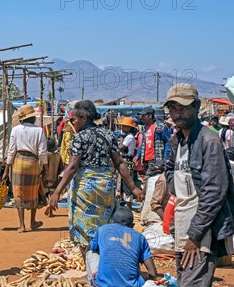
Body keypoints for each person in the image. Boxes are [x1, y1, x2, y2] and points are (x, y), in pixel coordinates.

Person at [163, 83, 234, 287]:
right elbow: (171, 173)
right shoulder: (177, 141)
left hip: (201, 233)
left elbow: (215, 191)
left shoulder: (208, 140)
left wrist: (195, 234)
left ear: (196, 108)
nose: (177, 113)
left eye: (183, 107)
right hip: (183, 229)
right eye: (173, 107)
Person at [49, 100, 142, 256]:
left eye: (75, 119)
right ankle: (103, 262)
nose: (73, 122)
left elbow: (72, 167)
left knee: (84, 228)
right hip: (106, 187)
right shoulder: (108, 134)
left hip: (85, 190)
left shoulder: (79, 138)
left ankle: (90, 265)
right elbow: (119, 162)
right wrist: (133, 187)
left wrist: (57, 191)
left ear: (84, 118)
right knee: (103, 225)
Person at [84, 205, 157, 287]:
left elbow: (89, 248)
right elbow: (153, 273)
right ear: (132, 225)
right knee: (137, 272)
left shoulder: (103, 230)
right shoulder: (140, 238)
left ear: (111, 222)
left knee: (90, 253)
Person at [2, 105, 49, 233]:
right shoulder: (39, 131)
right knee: (34, 191)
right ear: (33, 118)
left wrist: (6, 169)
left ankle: (22, 225)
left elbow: (11, 151)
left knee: (18, 192)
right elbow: (42, 152)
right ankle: (32, 222)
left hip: (18, 163)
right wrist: (46, 168)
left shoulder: (16, 130)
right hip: (33, 163)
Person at [134, 106, 171, 171]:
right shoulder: (145, 127)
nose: (141, 118)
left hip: (157, 159)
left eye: (143, 116)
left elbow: (167, 142)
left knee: (151, 178)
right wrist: (137, 155)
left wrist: (165, 159)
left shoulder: (160, 126)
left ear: (150, 116)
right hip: (147, 160)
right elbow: (143, 144)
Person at [117, 117, 139, 205]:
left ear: (130, 127)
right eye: (123, 126)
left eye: (125, 126)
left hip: (127, 161)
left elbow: (121, 148)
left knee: (127, 184)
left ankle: (129, 206)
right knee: (122, 183)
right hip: (124, 160)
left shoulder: (129, 137)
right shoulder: (126, 136)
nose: (123, 128)